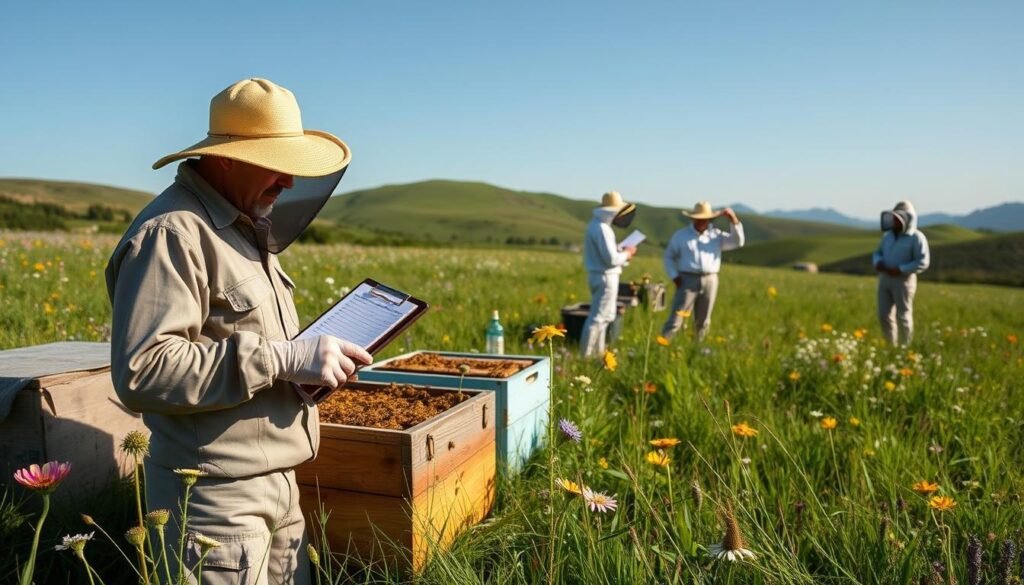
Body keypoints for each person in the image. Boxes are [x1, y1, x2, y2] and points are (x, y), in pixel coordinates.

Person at [106, 78, 371, 584]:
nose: (289, 182)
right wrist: (283, 360)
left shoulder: (242, 226)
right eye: (276, 163)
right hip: (211, 505)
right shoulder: (172, 235)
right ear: (226, 158)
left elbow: (242, 341)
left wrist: (306, 367)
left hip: (279, 484)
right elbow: (144, 369)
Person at [661, 201, 744, 342]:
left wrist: (733, 220)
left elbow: (738, 242)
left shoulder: (716, 236)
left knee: (703, 319)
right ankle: (664, 343)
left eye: (704, 219)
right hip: (687, 279)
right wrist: (674, 276)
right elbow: (669, 256)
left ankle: (698, 348)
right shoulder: (681, 236)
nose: (701, 222)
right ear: (693, 218)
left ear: (709, 219)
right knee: (677, 317)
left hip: (710, 279)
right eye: (698, 219)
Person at [580, 191, 637, 358]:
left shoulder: (596, 226)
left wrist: (621, 252)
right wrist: (627, 253)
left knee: (605, 317)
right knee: (598, 318)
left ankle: (598, 353)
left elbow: (606, 254)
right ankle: (586, 355)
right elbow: (611, 259)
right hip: (605, 277)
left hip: (601, 275)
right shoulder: (603, 228)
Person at [873, 200, 930, 345]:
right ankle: (890, 345)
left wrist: (901, 269)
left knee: (903, 315)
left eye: (898, 218)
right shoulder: (887, 236)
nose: (894, 221)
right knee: (884, 315)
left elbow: (923, 261)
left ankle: (905, 347)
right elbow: (877, 252)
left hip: (903, 282)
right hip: (885, 279)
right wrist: (878, 262)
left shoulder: (916, 238)